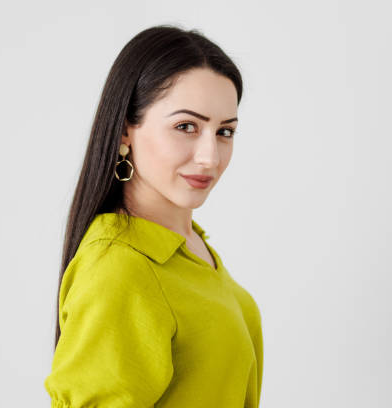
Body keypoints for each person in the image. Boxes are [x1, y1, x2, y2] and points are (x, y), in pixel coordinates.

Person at [44, 24, 263, 408]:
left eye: (225, 132)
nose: (209, 157)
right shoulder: (120, 265)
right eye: (185, 127)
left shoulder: (188, 245)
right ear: (126, 132)